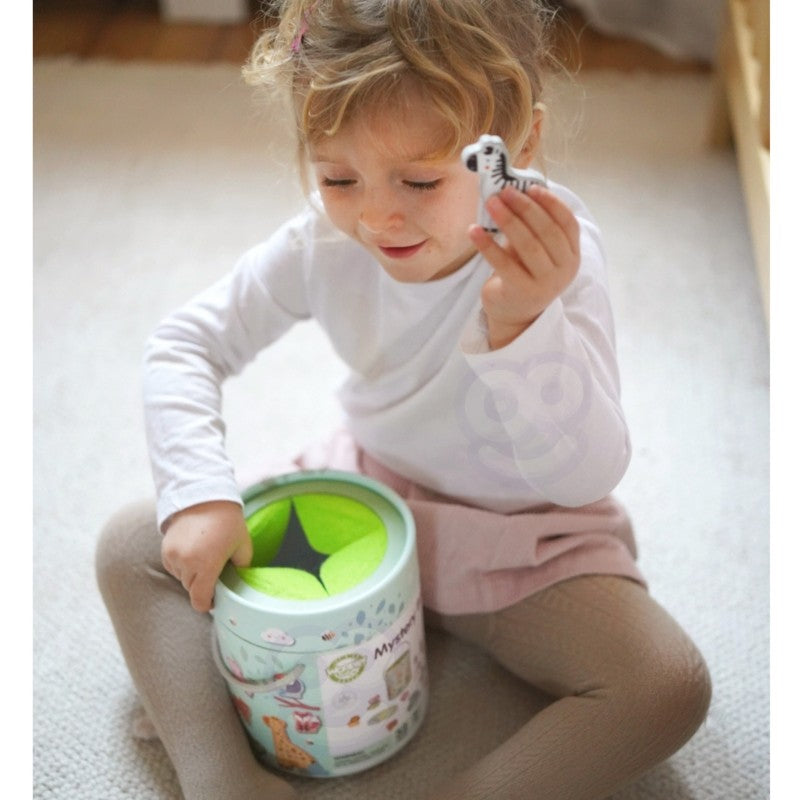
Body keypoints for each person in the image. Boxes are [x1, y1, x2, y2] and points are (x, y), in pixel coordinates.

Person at [96, 2, 711, 799]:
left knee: (667, 684)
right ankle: (222, 779)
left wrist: (523, 325)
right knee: (129, 543)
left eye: (420, 179)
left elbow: (585, 476)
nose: (378, 215)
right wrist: (200, 494)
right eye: (337, 177)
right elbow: (185, 343)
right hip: (366, 497)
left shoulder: (555, 257)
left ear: (518, 147)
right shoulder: (322, 240)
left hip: (527, 544)